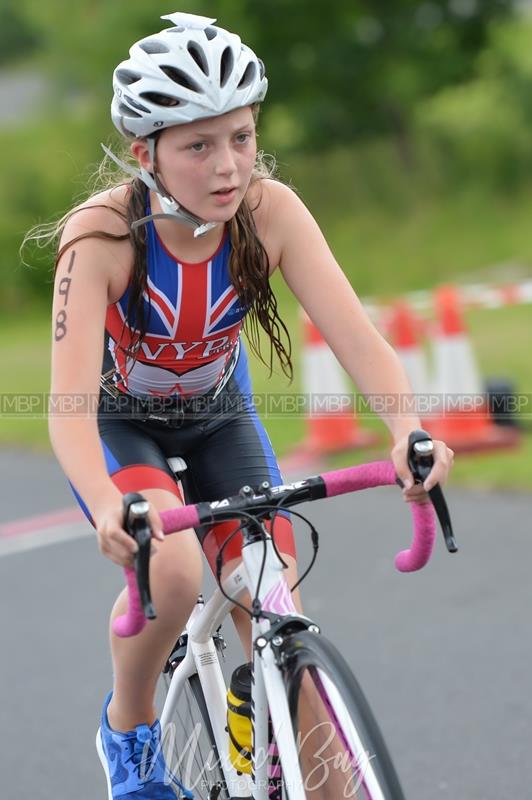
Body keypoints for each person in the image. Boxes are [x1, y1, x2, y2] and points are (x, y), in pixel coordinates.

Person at [45, 11, 453, 799]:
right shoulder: (101, 236)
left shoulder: (272, 212)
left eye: (241, 136)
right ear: (146, 153)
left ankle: (278, 734)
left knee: (274, 605)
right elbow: (65, 407)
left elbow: (359, 338)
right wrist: (105, 505)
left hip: (219, 417)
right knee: (169, 576)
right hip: (119, 426)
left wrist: (409, 428)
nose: (229, 165)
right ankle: (128, 731)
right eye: (198, 145)